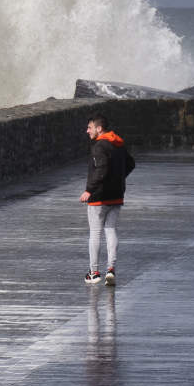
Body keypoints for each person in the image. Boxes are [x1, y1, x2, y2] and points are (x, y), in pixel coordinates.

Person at [80, 113, 136, 286]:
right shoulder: (118, 144)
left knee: (95, 233)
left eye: (89, 128)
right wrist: (118, 179)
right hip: (117, 194)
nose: (87, 131)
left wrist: (89, 190)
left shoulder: (99, 146)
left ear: (99, 128)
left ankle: (94, 272)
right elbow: (131, 164)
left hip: (99, 196)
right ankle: (111, 269)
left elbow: (101, 170)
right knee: (110, 229)